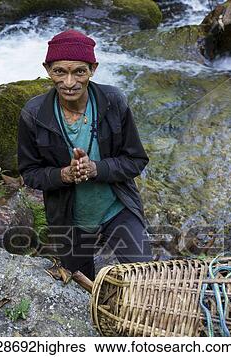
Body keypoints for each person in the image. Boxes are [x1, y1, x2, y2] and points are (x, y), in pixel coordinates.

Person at [17, 29, 153, 280]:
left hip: (117, 208)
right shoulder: (33, 113)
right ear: (47, 69)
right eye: (60, 71)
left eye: (79, 71)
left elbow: (136, 160)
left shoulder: (114, 101)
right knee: (81, 283)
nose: (69, 82)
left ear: (93, 69)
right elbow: (30, 173)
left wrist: (96, 169)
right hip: (69, 220)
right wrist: (64, 175)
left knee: (145, 275)